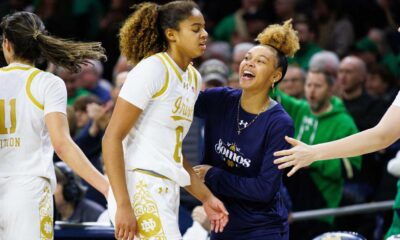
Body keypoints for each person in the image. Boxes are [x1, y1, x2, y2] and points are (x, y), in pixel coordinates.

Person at [102, 2, 229, 240]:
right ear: (171, 34)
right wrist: (123, 205)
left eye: (204, 28)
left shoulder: (193, 77)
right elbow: (112, 137)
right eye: (195, 28)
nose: (204, 34)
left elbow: (173, 153)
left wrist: (207, 197)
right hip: (140, 186)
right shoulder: (152, 69)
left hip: (169, 188)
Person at [0, 11, 109, 239]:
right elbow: (62, 145)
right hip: (28, 191)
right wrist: (106, 186)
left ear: (7, 44)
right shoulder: (47, 83)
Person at [193, 19, 299, 240]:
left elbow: (263, 190)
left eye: (260, 61)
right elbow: (177, 102)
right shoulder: (220, 99)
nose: (248, 64)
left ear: (275, 76)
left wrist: (212, 174)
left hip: (262, 229)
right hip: (221, 223)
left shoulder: (279, 122)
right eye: (246, 58)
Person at [273, 90, 400, 239]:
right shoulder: (299, 108)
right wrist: (314, 152)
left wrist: (315, 154)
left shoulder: (342, 121)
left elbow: (379, 141)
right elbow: (381, 136)